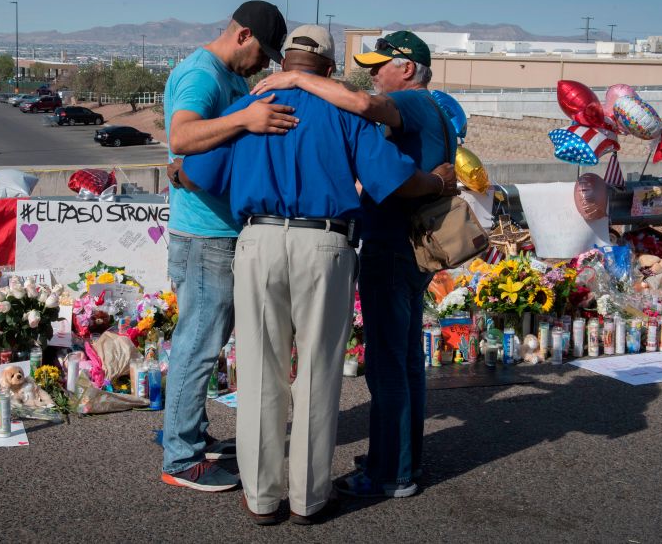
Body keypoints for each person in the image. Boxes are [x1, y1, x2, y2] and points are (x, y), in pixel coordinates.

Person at [181, 26, 457, 524]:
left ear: (281, 62)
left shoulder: (250, 106)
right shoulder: (342, 109)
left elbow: (195, 171)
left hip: (258, 239)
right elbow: (391, 179)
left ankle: (261, 499)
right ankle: (309, 499)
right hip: (324, 243)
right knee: (317, 373)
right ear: (329, 70)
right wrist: (438, 179)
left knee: (261, 372)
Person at [252, 30, 456, 499]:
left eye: (380, 64)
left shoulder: (412, 103)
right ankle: (400, 460)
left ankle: (390, 475)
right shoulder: (437, 111)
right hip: (415, 247)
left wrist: (298, 82)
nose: (371, 74)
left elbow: (362, 105)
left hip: (392, 244)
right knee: (405, 361)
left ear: (407, 68)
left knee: (387, 364)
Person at [160, 0, 294, 492]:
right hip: (203, 237)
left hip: (223, 233)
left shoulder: (233, 77)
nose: (264, 63)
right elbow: (182, 135)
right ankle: (181, 459)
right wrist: (247, 120)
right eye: (263, 52)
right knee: (197, 344)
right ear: (242, 36)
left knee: (205, 343)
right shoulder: (203, 74)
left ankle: (189, 435)